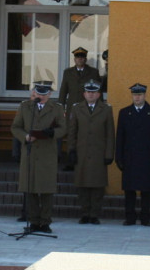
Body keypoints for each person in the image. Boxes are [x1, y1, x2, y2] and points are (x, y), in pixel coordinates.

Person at [11, 81, 67, 233]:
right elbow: (16, 127)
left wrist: (52, 133)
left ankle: (45, 222)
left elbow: (63, 128)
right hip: (30, 152)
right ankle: (34, 221)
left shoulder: (57, 108)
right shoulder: (25, 107)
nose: (41, 96)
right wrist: (25, 136)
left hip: (47, 152)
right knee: (30, 188)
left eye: (44, 94)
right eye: (39, 93)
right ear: (34, 93)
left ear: (49, 95)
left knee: (47, 189)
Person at [67, 79, 114, 224]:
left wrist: (109, 154)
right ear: (84, 94)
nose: (91, 95)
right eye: (88, 92)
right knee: (83, 185)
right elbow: (72, 131)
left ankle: (94, 214)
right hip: (81, 152)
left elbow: (110, 134)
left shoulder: (106, 109)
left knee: (97, 185)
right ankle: (85, 212)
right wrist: (71, 150)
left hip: (99, 154)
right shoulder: (77, 108)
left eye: (93, 92)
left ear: (99, 94)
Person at [115, 82, 150, 226]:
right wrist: (119, 157)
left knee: (146, 190)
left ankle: (145, 217)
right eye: (135, 95)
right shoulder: (124, 112)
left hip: (147, 157)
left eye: (140, 94)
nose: (137, 97)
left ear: (145, 95)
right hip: (129, 157)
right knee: (129, 190)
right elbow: (120, 138)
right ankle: (130, 217)